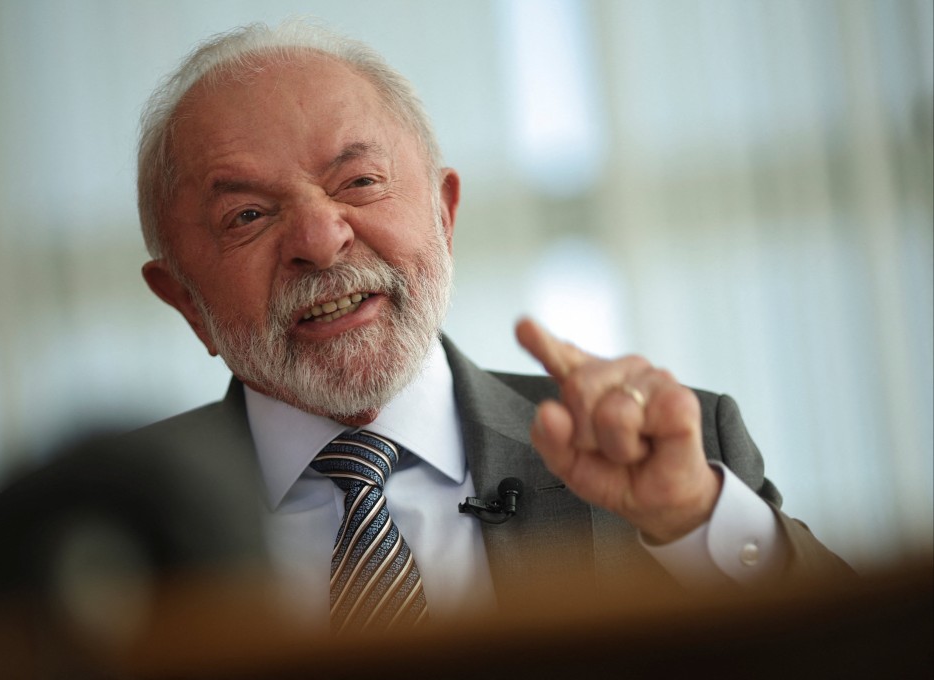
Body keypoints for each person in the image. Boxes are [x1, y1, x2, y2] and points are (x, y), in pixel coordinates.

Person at [132, 20, 850, 632]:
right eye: (247, 216)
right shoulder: (116, 527)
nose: (320, 240)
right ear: (186, 301)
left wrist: (694, 519)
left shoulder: (682, 460)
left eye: (359, 182)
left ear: (444, 215)